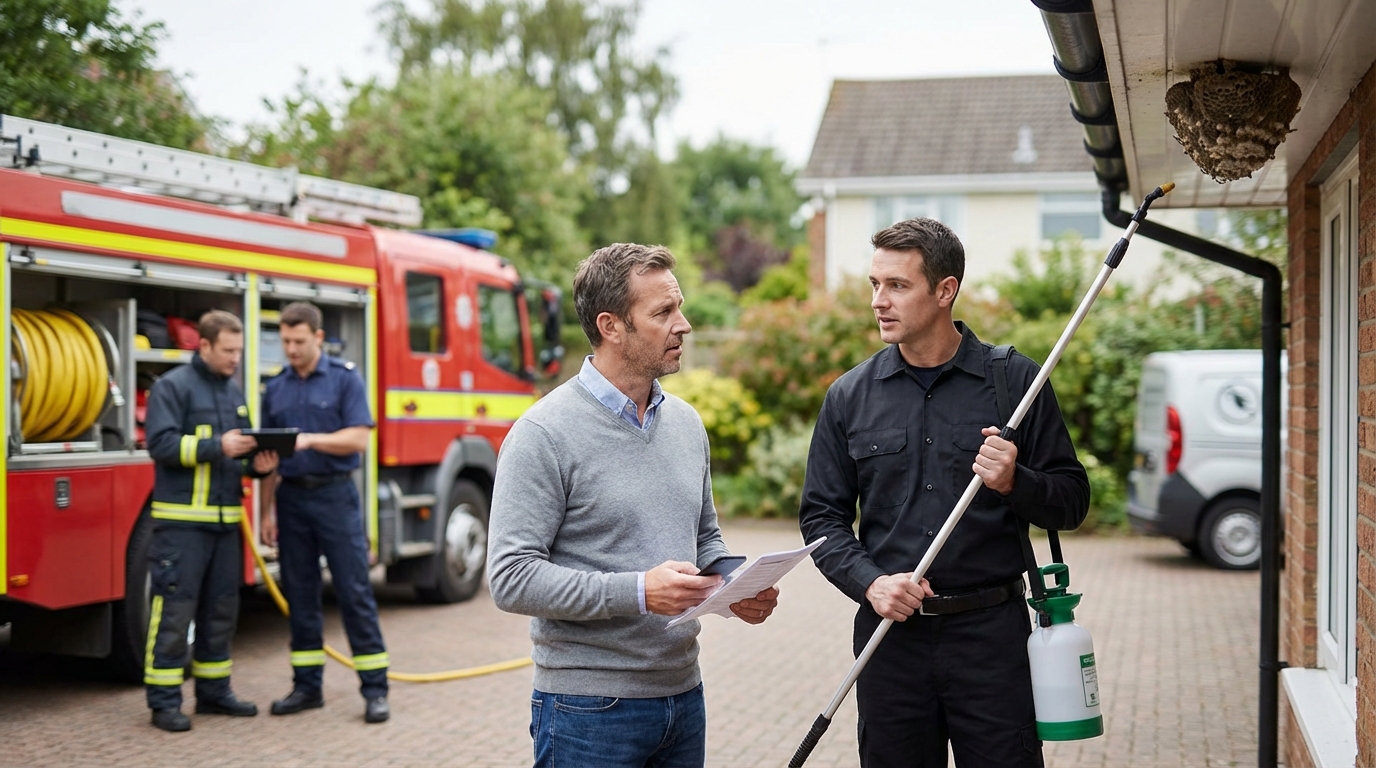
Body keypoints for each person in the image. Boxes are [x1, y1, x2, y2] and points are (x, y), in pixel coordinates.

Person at [799, 218, 1090, 768]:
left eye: (897, 285)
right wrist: (871, 583)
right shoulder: (849, 396)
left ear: (944, 290)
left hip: (992, 642)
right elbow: (821, 519)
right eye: (874, 284)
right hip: (890, 641)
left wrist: (1015, 480)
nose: (878, 301)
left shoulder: (1015, 382)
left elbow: (1072, 500)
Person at [488, 243, 781, 768]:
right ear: (611, 326)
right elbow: (511, 578)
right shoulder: (542, 434)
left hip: (683, 696)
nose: (683, 325)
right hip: (587, 710)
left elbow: (704, 537)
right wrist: (640, 591)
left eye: (679, 307)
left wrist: (734, 584)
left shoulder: (686, 424)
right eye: (663, 312)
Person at [142, 310, 278, 732]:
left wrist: (258, 466)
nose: (236, 358)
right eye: (228, 350)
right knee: (174, 611)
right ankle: (164, 701)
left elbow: (238, 457)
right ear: (203, 346)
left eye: (239, 351)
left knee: (221, 612)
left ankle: (214, 693)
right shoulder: (172, 387)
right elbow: (160, 445)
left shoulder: (232, 392)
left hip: (224, 525)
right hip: (181, 526)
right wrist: (216, 445)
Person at [258, 301, 390, 724]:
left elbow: (359, 439)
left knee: (354, 591)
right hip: (291, 499)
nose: (291, 349)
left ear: (318, 337)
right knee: (300, 595)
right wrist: (266, 513)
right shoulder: (275, 387)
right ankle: (306, 687)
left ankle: (375, 690)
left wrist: (311, 440)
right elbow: (269, 459)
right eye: (285, 341)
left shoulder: (344, 378)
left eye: (298, 341)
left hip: (335, 496)